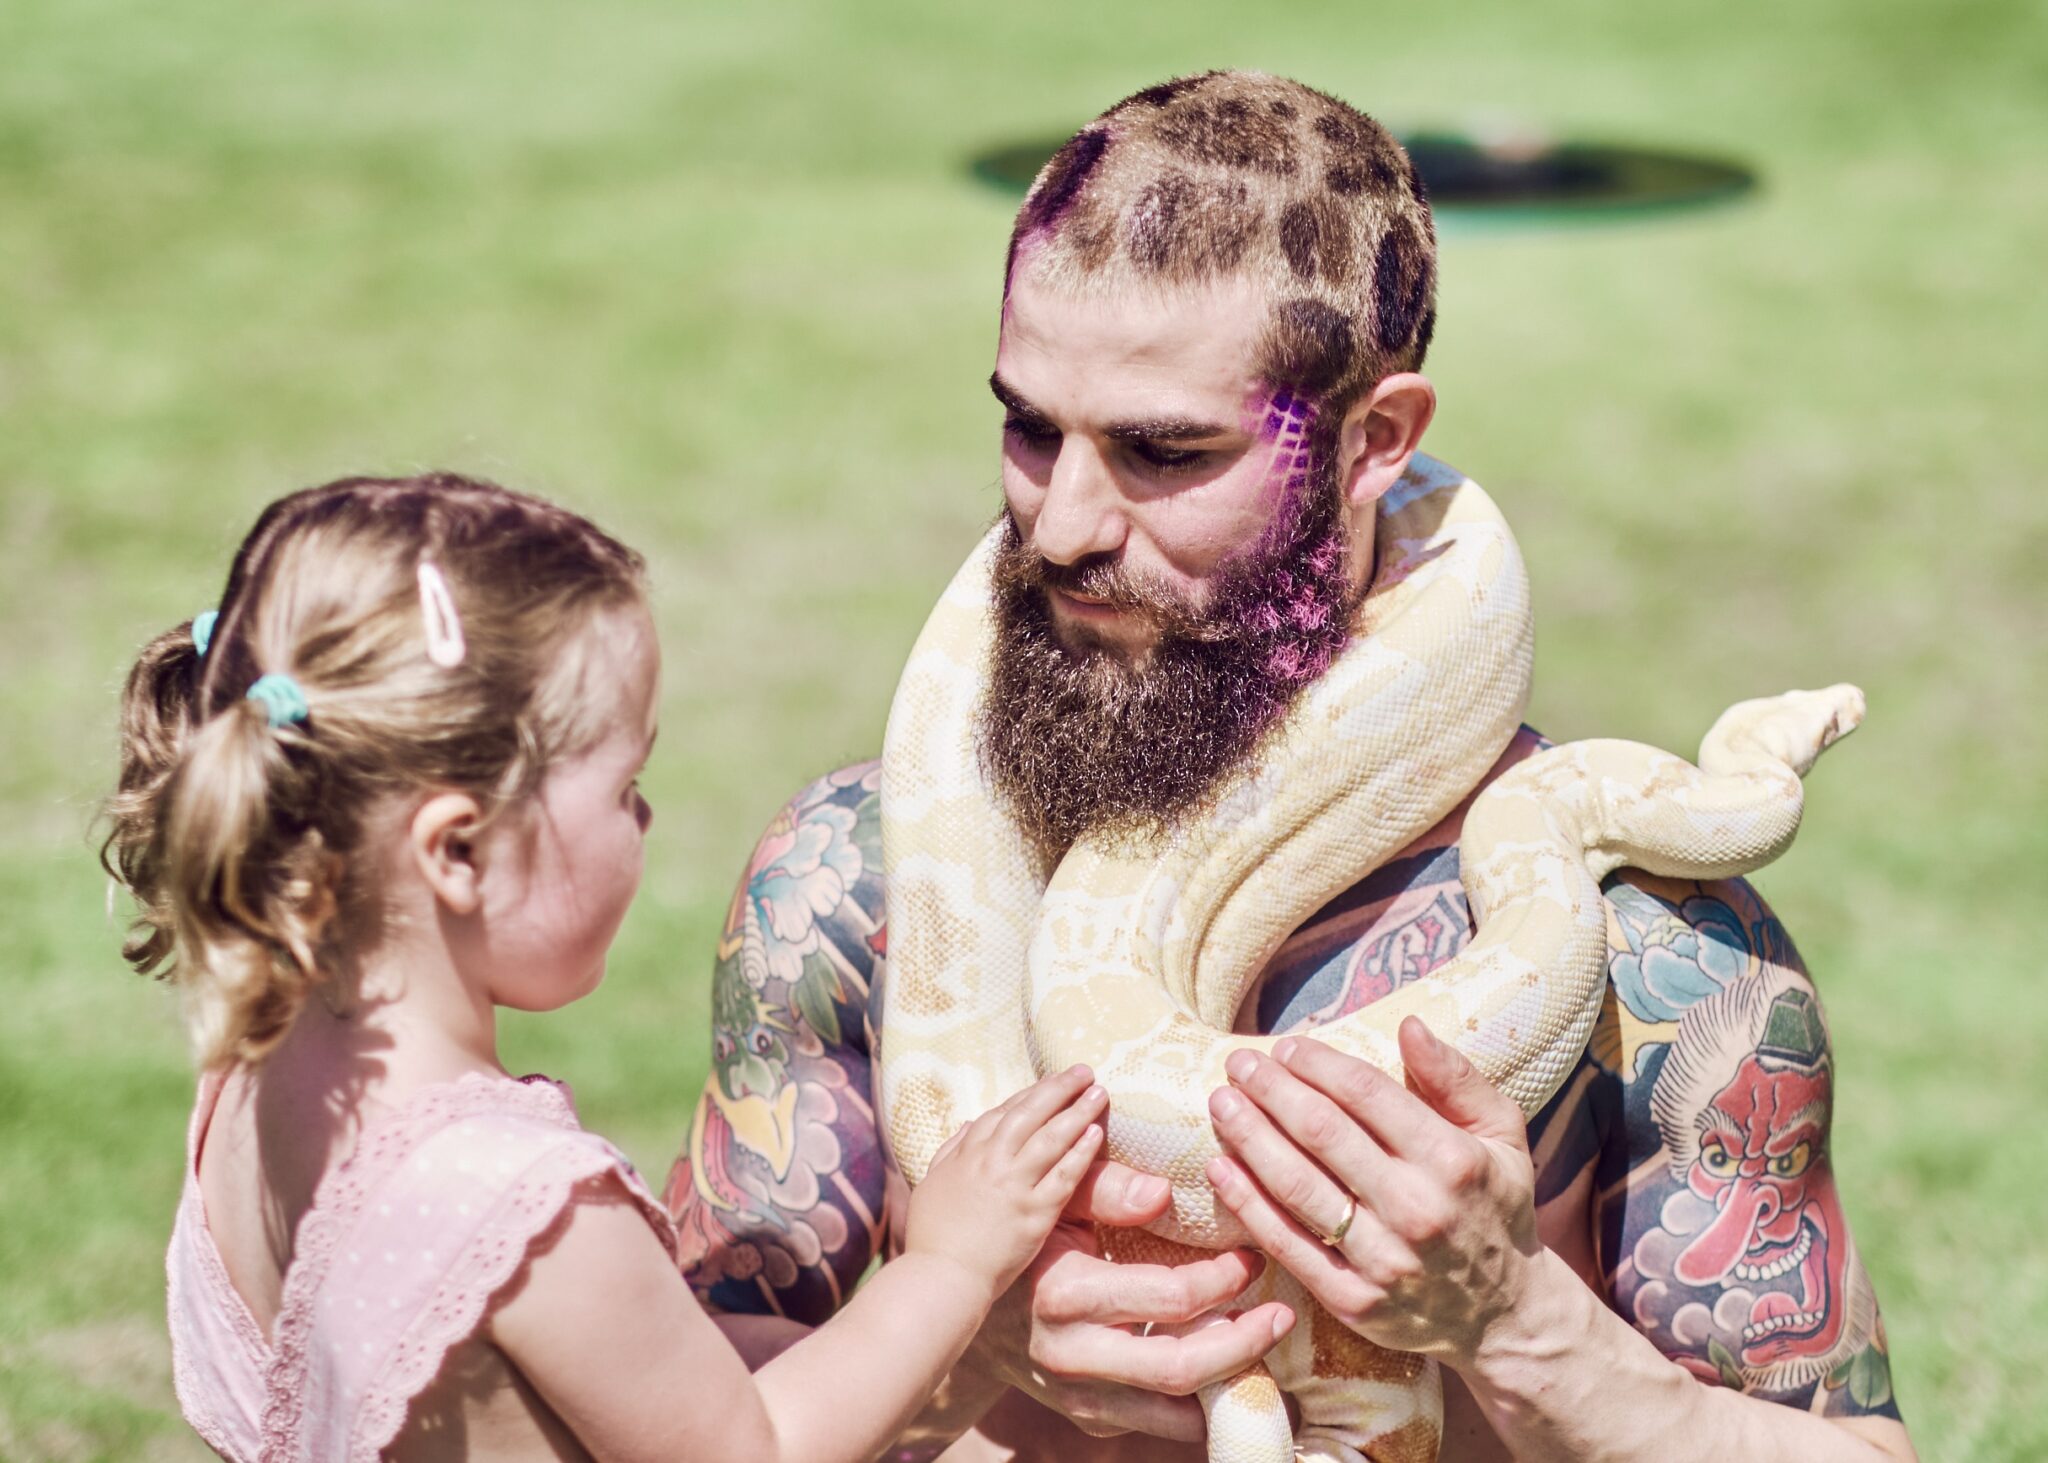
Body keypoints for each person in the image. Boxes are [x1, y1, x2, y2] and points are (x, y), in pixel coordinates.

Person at [666, 72, 1918, 1461]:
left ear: (1374, 442)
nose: (1061, 523)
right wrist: (962, 1335)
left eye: (1163, 451)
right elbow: (684, 1429)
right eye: (1029, 427)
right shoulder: (849, 887)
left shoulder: (1648, 952)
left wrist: (1514, 1323)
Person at [105, 472, 1109, 1461]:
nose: (645, 816)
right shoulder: (527, 1204)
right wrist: (947, 1260)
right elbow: (753, 1449)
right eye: (624, 783)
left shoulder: (254, 1072)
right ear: (456, 851)